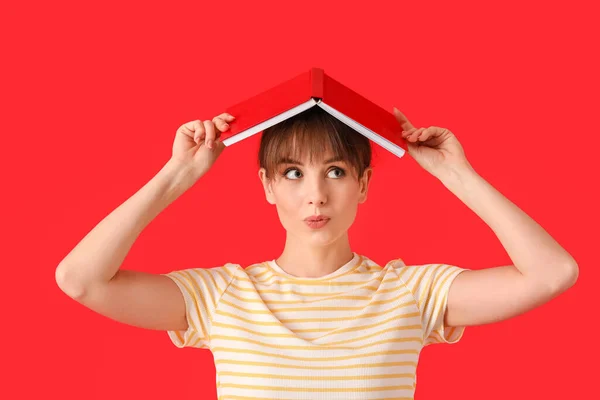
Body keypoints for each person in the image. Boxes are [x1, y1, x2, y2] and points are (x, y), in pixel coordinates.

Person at [55, 105, 579, 399]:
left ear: (364, 184)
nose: (315, 195)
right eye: (292, 173)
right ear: (266, 185)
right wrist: (180, 173)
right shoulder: (221, 297)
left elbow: (552, 272)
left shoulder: (410, 293)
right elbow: (81, 280)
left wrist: (454, 173)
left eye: (335, 171)